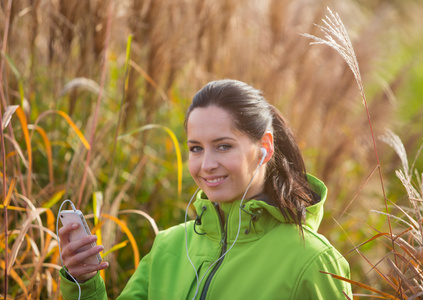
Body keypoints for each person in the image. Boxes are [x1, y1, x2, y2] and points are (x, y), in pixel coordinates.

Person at [59, 79, 352, 299]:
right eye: (196, 149)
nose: (206, 164)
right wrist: (83, 282)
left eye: (223, 146)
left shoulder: (312, 260)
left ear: (264, 147)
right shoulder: (169, 247)